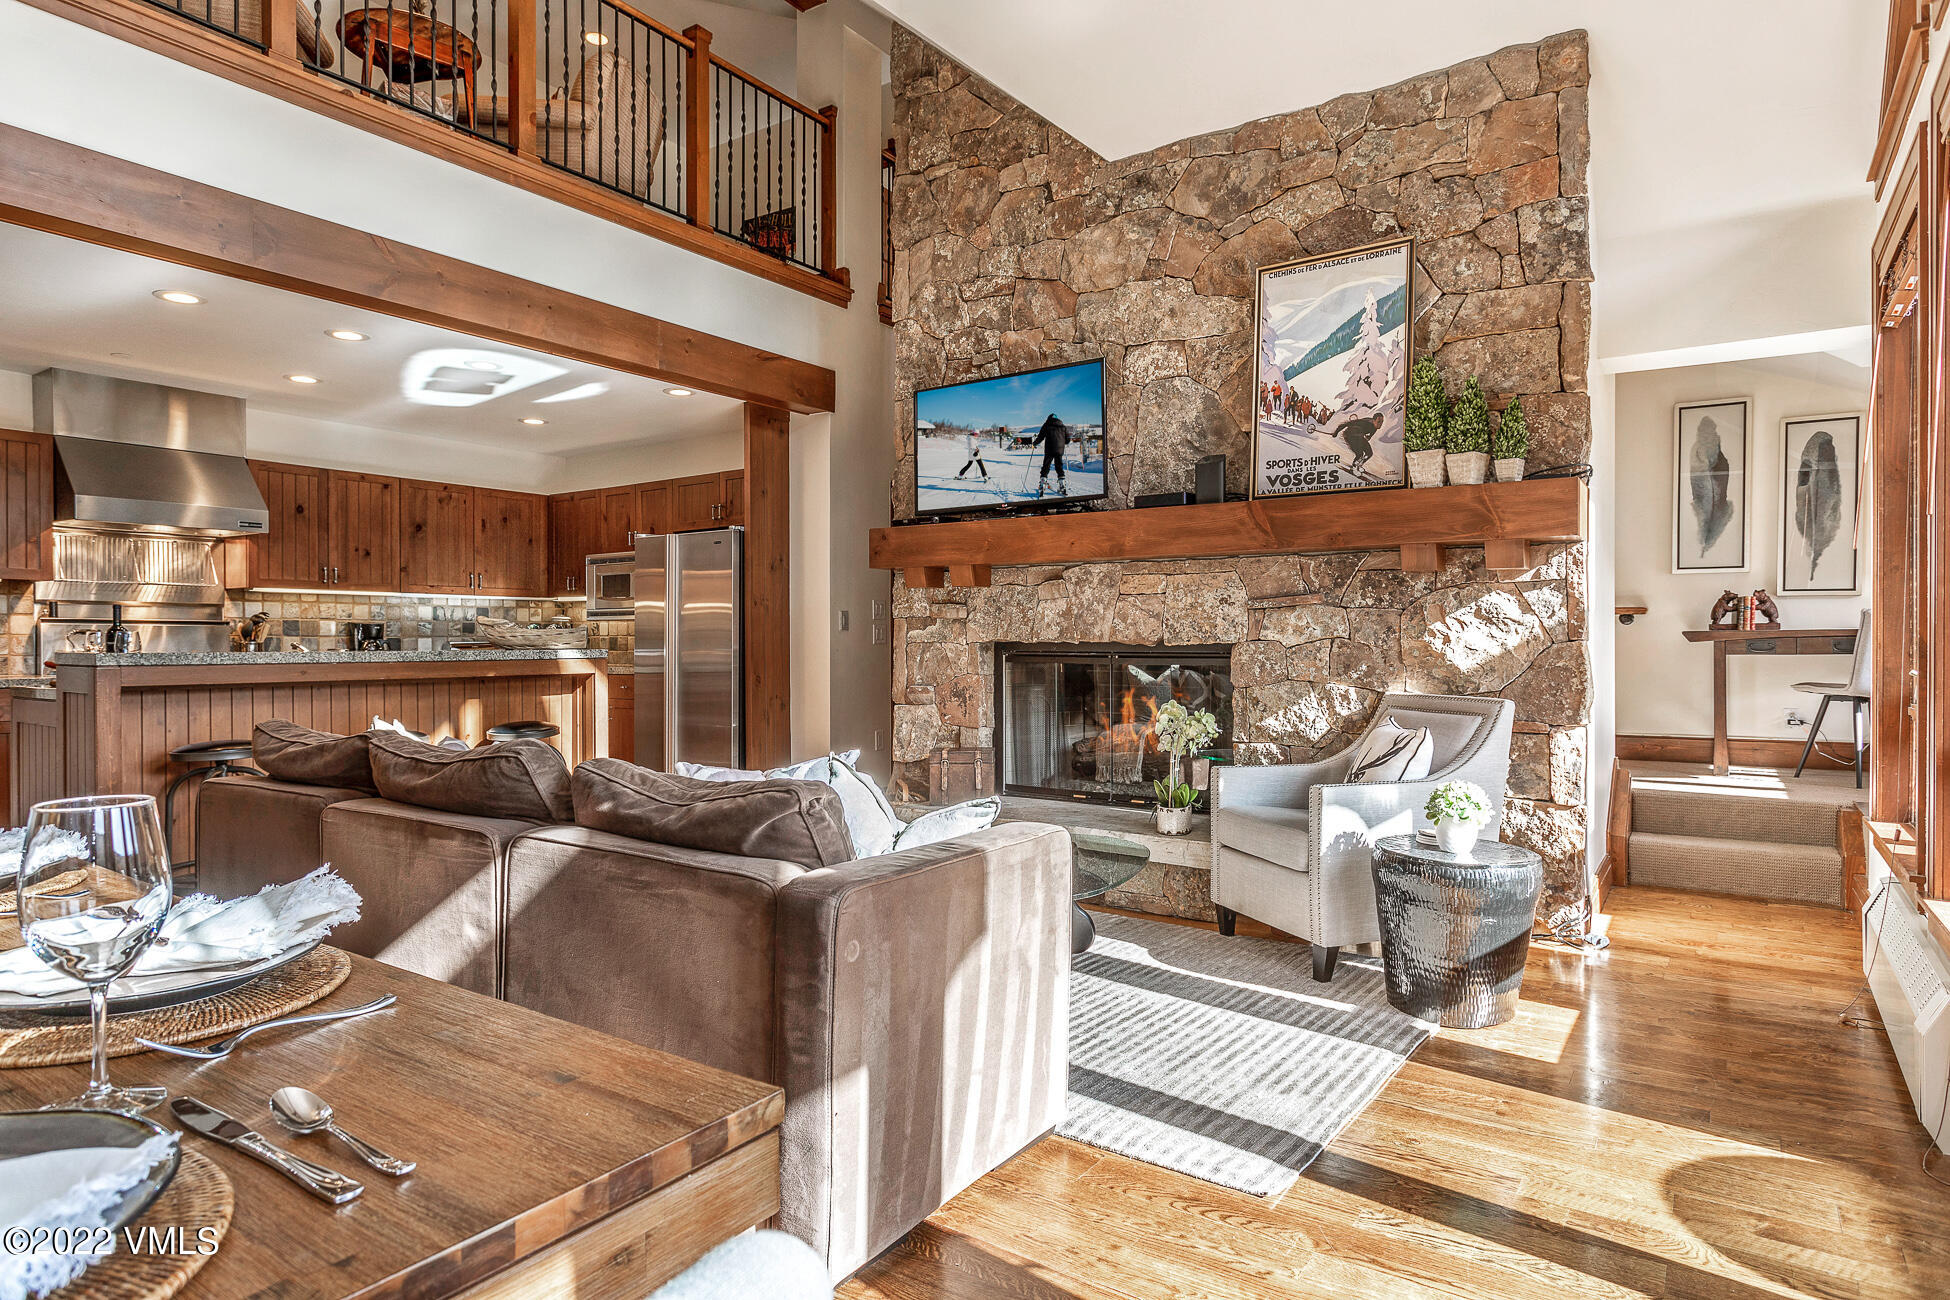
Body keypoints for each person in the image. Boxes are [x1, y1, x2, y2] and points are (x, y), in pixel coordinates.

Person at [1033, 412, 1069, 495]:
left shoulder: (1046, 425)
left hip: (1049, 449)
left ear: (1049, 418)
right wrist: (1063, 441)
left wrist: (1034, 443)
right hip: (1059, 450)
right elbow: (1067, 440)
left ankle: (1042, 483)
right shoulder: (1063, 426)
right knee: (1059, 466)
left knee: (1046, 466)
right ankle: (1062, 484)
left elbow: (1040, 437)